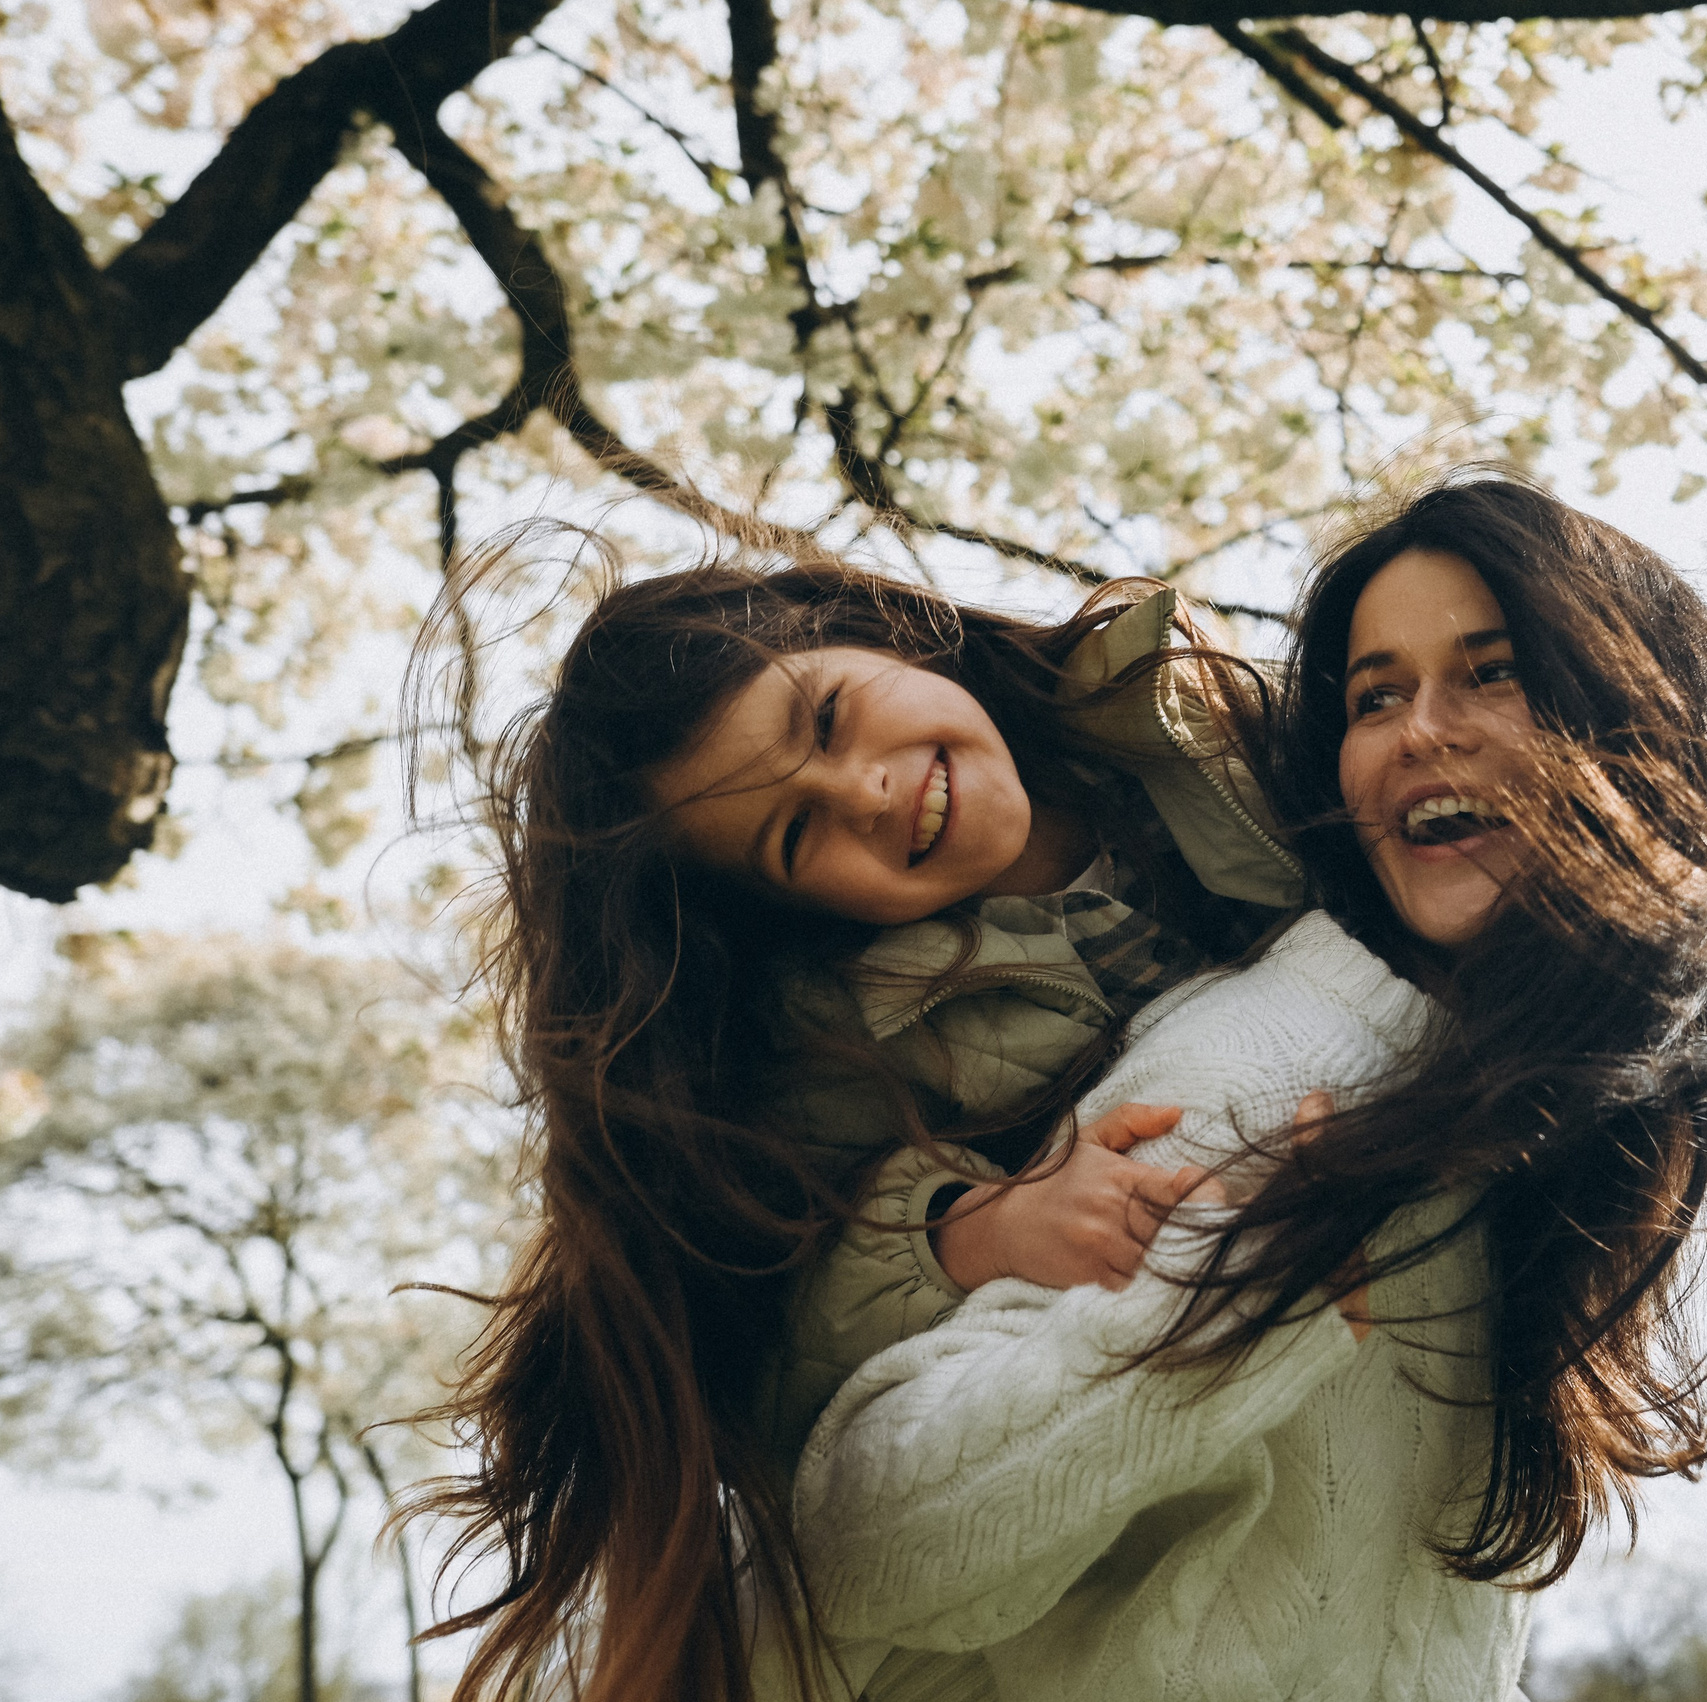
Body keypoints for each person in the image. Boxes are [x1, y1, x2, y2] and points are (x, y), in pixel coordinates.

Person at [778, 473, 1707, 1701]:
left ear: (1634, 713)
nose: (1421, 729)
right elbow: (861, 1542)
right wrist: (1211, 1320)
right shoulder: (1269, 1068)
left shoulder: (1565, 1122)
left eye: (1490, 672)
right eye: (1376, 696)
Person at [402, 534, 1307, 1702]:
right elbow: (790, 1348)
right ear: (800, 910)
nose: (866, 794)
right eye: (797, 835)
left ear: (874, 636)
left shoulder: (1190, 715)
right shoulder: (856, 1044)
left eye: (826, 720)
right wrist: (972, 1230)